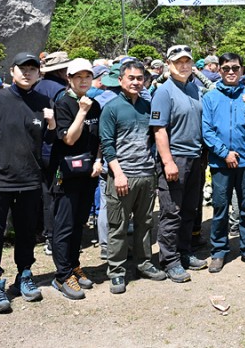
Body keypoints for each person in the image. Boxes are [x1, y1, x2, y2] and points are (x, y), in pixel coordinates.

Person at [0, 53, 56, 313]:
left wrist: (51, 123)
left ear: (39, 73)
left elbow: (48, 141)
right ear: (12, 71)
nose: (27, 73)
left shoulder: (44, 103)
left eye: (32, 69)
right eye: (23, 68)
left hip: (29, 179)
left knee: (27, 232)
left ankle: (24, 275)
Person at [100, 61, 166, 294]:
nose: (136, 82)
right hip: (122, 176)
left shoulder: (148, 107)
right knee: (117, 225)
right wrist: (118, 173)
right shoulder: (111, 108)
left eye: (140, 78)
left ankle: (144, 262)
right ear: (121, 80)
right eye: (131, 78)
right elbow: (107, 144)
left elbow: (155, 137)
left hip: (146, 174)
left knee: (145, 223)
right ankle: (116, 271)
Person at [203, 53, 245, 273]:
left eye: (235, 68)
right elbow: (207, 130)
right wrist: (224, 153)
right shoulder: (210, 97)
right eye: (226, 68)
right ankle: (219, 251)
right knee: (220, 207)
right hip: (220, 163)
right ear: (220, 70)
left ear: (241, 70)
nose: (231, 72)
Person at [150, 45, 208, 282]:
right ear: (169, 64)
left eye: (187, 61)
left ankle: (184, 251)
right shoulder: (164, 92)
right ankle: (169, 260)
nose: (183, 66)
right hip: (175, 158)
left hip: (195, 157)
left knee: (189, 209)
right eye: (178, 62)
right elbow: (159, 129)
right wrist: (167, 161)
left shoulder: (194, 88)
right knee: (171, 211)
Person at [49, 59, 104, 300]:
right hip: (66, 174)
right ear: (69, 78)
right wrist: (81, 112)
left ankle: (73, 265)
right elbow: (69, 139)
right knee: (65, 225)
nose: (83, 81)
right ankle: (62, 275)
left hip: (88, 172)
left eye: (87, 76)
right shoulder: (63, 103)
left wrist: (99, 160)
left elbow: (98, 137)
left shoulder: (95, 104)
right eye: (78, 76)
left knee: (79, 222)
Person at [35, 50, 72, 256]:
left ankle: (45, 234)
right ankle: (54, 237)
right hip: (55, 149)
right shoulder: (60, 91)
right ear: (61, 70)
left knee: (44, 193)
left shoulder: (37, 86)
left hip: (38, 148)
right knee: (56, 194)